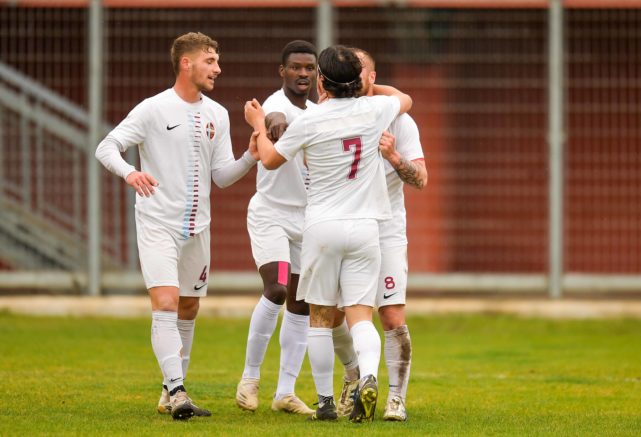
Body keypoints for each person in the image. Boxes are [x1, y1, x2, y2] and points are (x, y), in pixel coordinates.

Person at [95, 32, 259, 420]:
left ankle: (169, 390)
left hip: (199, 228)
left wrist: (251, 157)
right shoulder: (153, 109)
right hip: (157, 222)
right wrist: (131, 172)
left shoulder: (218, 114)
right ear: (186, 63)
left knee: (188, 306)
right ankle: (179, 391)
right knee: (166, 302)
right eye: (210, 61)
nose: (218, 68)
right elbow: (106, 147)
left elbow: (222, 176)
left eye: (217, 61)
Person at [244, 45, 412, 423]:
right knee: (360, 315)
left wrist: (257, 124)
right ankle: (368, 377)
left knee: (320, 317)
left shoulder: (311, 119)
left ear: (322, 81)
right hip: (366, 227)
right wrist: (368, 86)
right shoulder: (375, 109)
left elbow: (269, 160)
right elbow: (405, 98)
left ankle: (325, 403)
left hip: (322, 227)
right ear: (358, 80)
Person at [331, 48, 428, 422]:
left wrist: (395, 158)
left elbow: (421, 179)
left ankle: (396, 399)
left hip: (386, 230)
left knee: (391, 314)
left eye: (360, 71)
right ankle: (353, 376)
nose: (353, 78)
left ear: (372, 77)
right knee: (334, 315)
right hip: (344, 227)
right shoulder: (334, 115)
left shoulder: (400, 121)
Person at [235, 40, 317, 416]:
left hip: (307, 218)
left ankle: (285, 391)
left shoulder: (317, 113)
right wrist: (271, 123)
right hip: (270, 213)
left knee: (301, 303)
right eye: (295, 67)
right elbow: (274, 120)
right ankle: (249, 379)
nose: (303, 73)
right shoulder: (274, 105)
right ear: (282, 71)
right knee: (278, 288)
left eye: (309, 68)